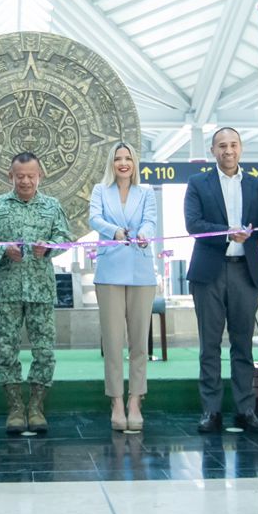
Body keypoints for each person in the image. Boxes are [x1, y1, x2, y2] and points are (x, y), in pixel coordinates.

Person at [183, 127, 258, 434]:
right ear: (212, 150)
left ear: (241, 148)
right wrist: (227, 233)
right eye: (222, 146)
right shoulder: (198, 183)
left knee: (243, 345)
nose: (228, 150)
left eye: (233, 145)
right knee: (209, 345)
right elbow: (193, 224)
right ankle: (211, 411)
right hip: (208, 273)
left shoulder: (256, 184)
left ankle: (245, 409)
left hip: (245, 272)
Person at [0, 152, 71, 435]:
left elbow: (65, 238)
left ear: (40, 176)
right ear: (11, 176)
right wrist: (3, 250)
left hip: (41, 289)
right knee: (7, 350)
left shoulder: (52, 206)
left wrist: (50, 247)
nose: (26, 181)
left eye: (31, 176)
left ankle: (36, 406)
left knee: (44, 350)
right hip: (7, 289)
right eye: (20, 176)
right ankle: (16, 407)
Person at [89, 142, 158, 432]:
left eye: (128, 157)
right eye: (118, 158)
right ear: (112, 163)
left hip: (141, 272)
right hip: (109, 272)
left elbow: (150, 221)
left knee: (139, 342)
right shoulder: (100, 190)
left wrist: (144, 234)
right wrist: (114, 231)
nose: (123, 163)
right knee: (113, 342)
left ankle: (135, 400)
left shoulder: (147, 192)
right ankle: (116, 401)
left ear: (134, 162)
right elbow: (94, 218)